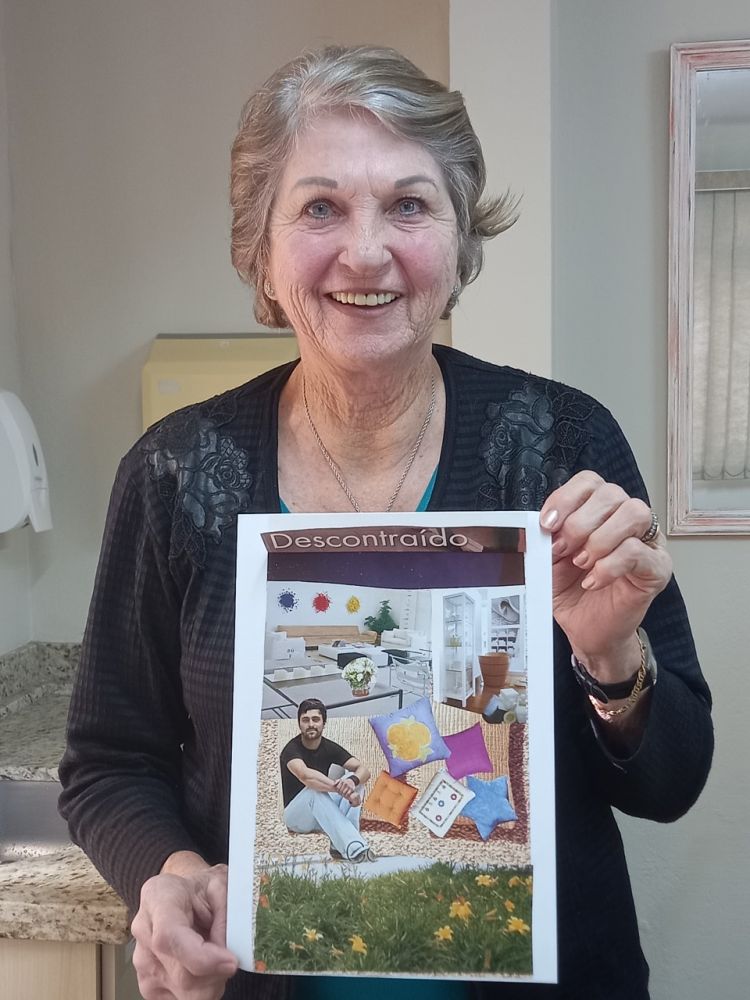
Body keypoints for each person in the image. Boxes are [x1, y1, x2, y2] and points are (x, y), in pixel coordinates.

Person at [58, 45, 713, 1000]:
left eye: (409, 205)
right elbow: (110, 762)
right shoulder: (174, 473)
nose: (366, 252)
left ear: (459, 241)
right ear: (261, 249)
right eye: (321, 207)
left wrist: (611, 658)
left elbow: (671, 784)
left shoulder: (561, 443)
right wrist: (172, 872)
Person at [280, 697, 372, 862]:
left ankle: (340, 844)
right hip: (296, 817)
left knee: (354, 781)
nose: (311, 724)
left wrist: (351, 782)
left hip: (321, 813)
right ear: (299, 723)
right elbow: (305, 775)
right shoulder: (291, 749)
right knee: (314, 790)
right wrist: (343, 791)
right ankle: (354, 847)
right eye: (305, 720)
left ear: (324, 723)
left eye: (316, 719)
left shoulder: (329, 747)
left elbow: (363, 770)